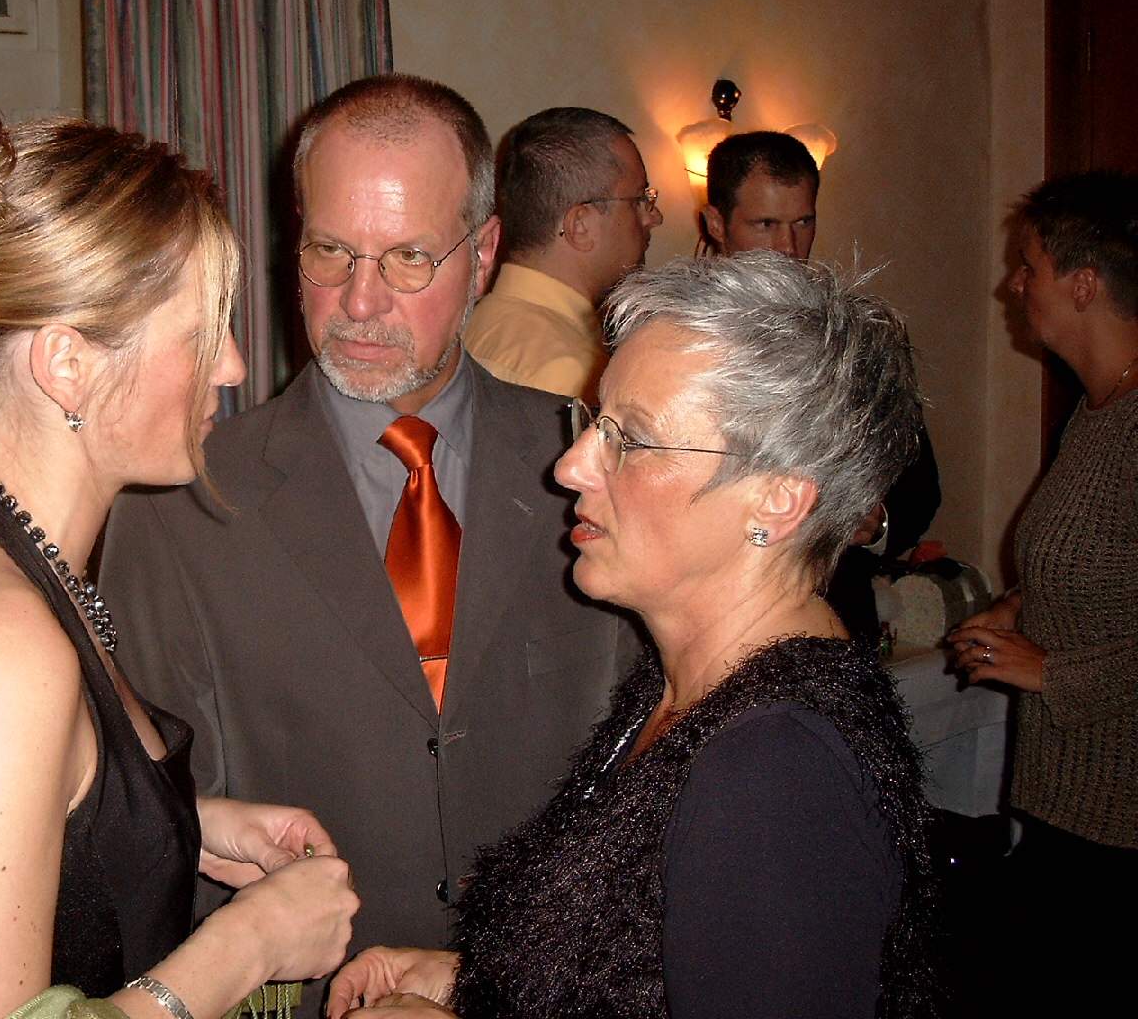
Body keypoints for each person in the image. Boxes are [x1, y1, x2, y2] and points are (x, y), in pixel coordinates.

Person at [101, 75, 641, 1014]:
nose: (358, 302)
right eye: (330, 252)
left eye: (408, 259)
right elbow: (156, 846)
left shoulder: (591, 461)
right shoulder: (181, 503)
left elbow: (645, 777)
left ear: (484, 255)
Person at [0, 111, 358, 1019]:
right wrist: (251, 944)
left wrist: (180, 828)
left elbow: (29, 822)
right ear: (67, 365)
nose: (231, 366)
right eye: (202, 333)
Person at [330, 253, 940, 1019]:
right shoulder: (686, 684)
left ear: (777, 501)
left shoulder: (779, 775)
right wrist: (474, 983)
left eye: (633, 440)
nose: (571, 465)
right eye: (595, 423)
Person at [948, 170, 1138, 1014]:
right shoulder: (1096, 412)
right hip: (1071, 800)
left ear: (1085, 284)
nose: (1012, 285)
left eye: (1030, 267)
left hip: (1123, 815)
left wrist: (1050, 672)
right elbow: (1107, 563)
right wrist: (1019, 606)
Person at [701, 130, 941, 645]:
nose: (789, 248)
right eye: (766, 225)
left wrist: (877, 524)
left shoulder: (860, 336)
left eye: (803, 222)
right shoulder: (678, 334)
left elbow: (919, 485)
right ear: (717, 223)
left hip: (834, 619)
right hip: (710, 620)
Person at [462, 107, 662, 400]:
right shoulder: (575, 376)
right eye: (639, 200)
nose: (654, 217)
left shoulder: (473, 327)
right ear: (580, 226)